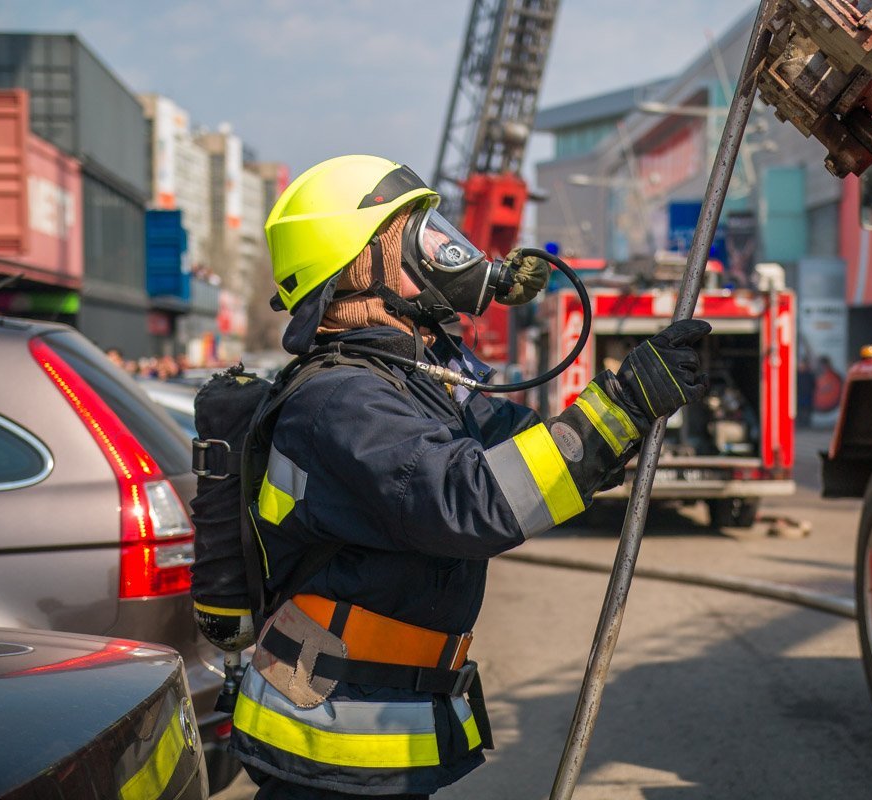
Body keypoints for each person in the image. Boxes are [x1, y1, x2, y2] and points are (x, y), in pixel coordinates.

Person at [210, 155, 713, 799]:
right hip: (329, 743)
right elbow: (474, 501)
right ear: (359, 263)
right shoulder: (339, 402)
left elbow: (523, 448)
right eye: (416, 234)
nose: (441, 247)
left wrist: (620, 420)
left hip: (377, 726)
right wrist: (623, 405)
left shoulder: (411, 384)